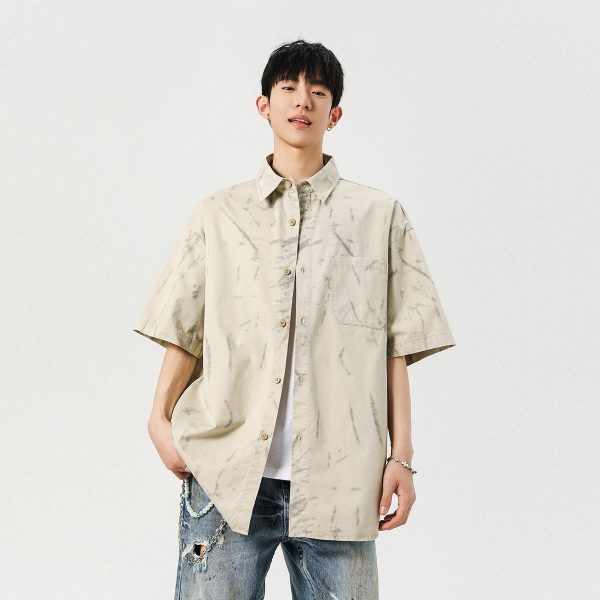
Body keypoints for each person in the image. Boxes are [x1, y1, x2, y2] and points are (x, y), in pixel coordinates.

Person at [133, 39, 456, 600]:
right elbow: (185, 331)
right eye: (288, 88)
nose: (302, 100)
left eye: (318, 91)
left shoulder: (379, 217)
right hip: (227, 474)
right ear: (264, 105)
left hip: (342, 481)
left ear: (335, 113)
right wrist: (158, 421)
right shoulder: (218, 215)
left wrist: (401, 457)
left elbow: (395, 347)